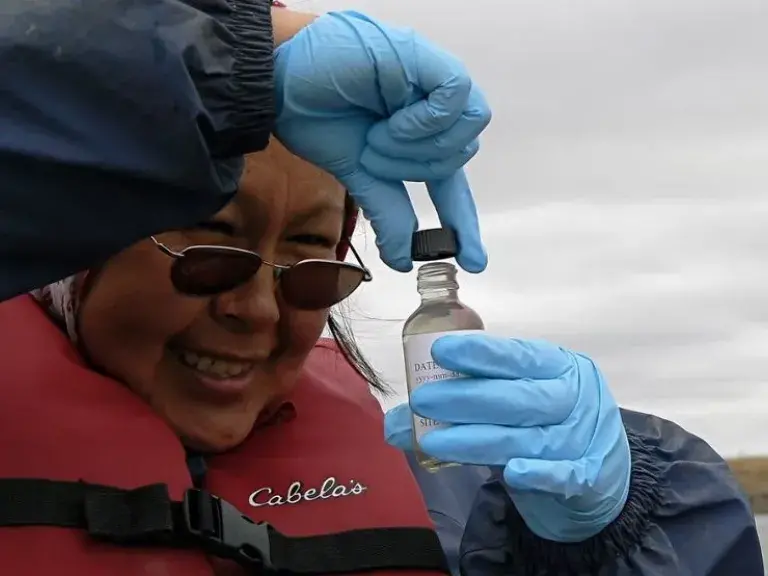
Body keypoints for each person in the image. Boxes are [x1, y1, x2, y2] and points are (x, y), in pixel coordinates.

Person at [0, 139, 762, 576]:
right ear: (70, 245)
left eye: (310, 256)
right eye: (209, 243)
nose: (258, 308)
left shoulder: (446, 505)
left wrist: (602, 537)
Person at [0, 0, 489, 300]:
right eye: (212, 240)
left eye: (313, 273)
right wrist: (235, 63)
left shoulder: (415, 458)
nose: (255, 308)